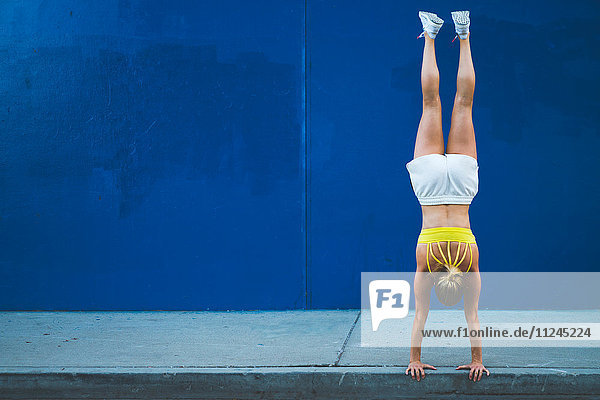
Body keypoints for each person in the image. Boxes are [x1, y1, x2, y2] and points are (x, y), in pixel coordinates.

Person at [404, 11, 490, 382]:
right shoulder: (427, 260)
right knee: (431, 104)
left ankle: (464, 32)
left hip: (461, 188)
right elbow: (421, 315)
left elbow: (472, 316)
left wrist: (476, 359)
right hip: (430, 192)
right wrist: (414, 358)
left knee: (463, 103)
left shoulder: (468, 259)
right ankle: (431, 32)